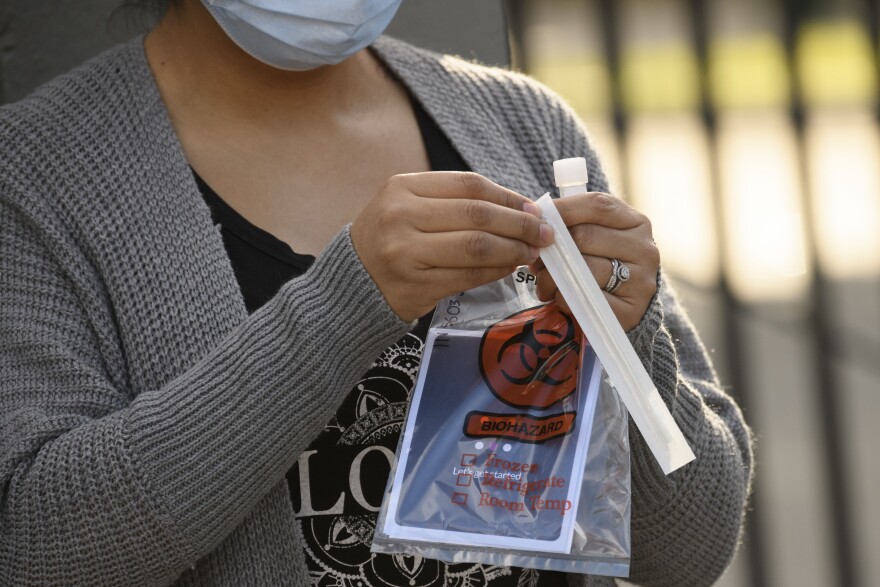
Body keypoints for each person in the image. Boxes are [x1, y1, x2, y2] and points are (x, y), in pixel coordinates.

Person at [0, 0, 753, 585]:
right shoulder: (34, 176)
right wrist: (342, 305)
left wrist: (631, 337)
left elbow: (691, 544)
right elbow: (37, 548)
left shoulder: (522, 122)